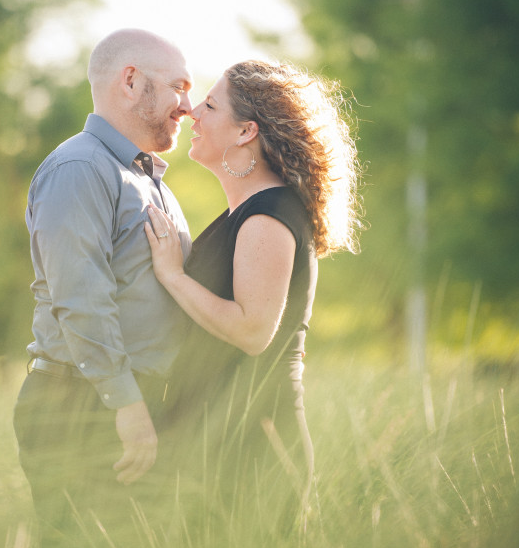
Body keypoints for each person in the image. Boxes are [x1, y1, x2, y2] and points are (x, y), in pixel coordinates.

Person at [13, 28, 193, 548]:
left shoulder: (145, 178)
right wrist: (127, 404)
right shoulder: (80, 170)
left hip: (113, 403)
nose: (188, 105)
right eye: (179, 88)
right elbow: (80, 299)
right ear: (130, 81)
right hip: (84, 406)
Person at [145, 58, 360, 520]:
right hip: (224, 442)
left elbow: (253, 331)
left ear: (246, 132)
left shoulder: (267, 215)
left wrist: (173, 275)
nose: (191, 113)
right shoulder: (249, 213)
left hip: (251, 451)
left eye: (210, 105)